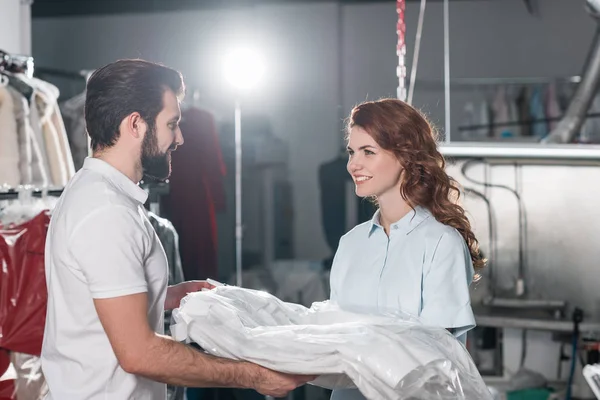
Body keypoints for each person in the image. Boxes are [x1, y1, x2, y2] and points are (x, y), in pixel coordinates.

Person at [41, 59, 314, 399]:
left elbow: (96, 302)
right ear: (136, 125)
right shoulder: (106, 212)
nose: (180, 138)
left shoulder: (98, 193)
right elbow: (139, 353)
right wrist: (252, 376)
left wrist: (169, 295)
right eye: (172, 124)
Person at [329, 99, 485, 400]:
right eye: (352, 152)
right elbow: (334, 336)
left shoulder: (441, 243)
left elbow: (436, 357)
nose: (353, 164)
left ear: (405, 157)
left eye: (368, 152)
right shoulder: (350, 244)